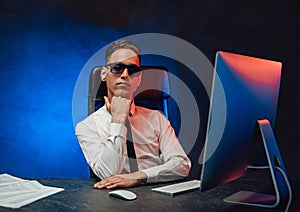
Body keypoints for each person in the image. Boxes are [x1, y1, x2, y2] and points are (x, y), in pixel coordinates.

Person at [76, 40, 191, 189]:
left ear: (139, 78)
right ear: (104, 74)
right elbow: (108, 174)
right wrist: (118, 121)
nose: (125, 75)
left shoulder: (157, 118)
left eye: (132, 70)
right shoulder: (87, 127)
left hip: (157, 195)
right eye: (117, 68)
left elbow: (182, 165)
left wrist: (139, 177)